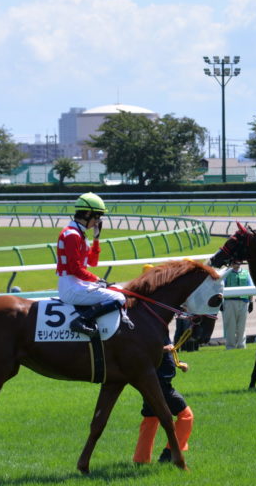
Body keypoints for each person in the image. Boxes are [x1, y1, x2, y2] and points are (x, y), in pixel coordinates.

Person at [56, 192, 127, 336]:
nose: (98, 221)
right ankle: (80, 321)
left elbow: (92, 262)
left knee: (118, 290)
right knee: (119, 298)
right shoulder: (72, 235)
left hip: (78, 284)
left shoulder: (79, 234)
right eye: (97, 216)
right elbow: (75, 269)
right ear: (87, 213)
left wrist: (96, 238)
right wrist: (98, 280)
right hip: (71, 287)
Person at [132, 346, 194, 464]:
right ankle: (170, 453)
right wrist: (163, 349)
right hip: (160, 387)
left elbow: (162, 358)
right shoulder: (149, 329)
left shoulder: (160, 329)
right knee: (187, 416)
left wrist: (178, 363)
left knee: (150, 419)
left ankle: (140, 459)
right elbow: (144, 349)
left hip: (150, 385)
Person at [221, 261, 254, 349]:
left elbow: (251, 287)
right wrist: (221, 302)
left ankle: (241, 346)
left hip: (244, 302)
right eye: (235, 262)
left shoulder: (246, 273)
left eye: (238, 262)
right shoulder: (226, 273)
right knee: (230, 326)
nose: (237, 264)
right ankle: (230, 346)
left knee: (242, 327)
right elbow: (221, 287)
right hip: (229, 302)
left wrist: (251, 302)